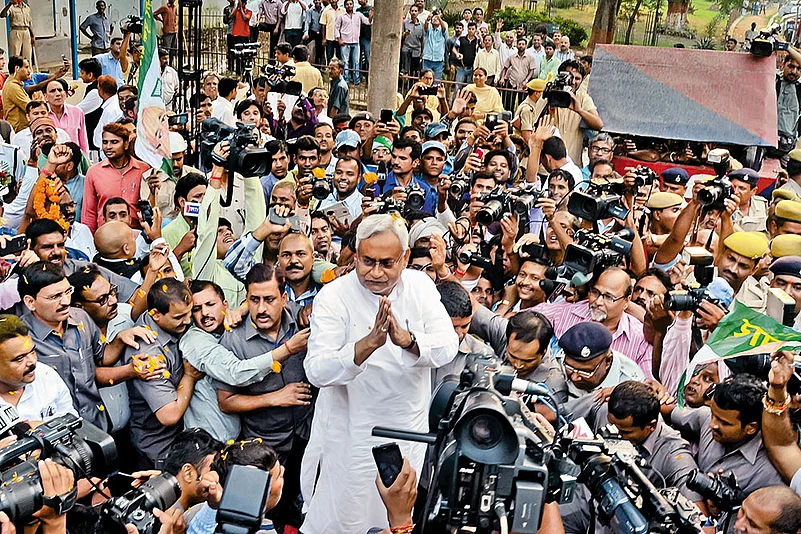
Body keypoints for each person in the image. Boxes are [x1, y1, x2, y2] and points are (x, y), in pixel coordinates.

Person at [301, 214, 459, 533]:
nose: (375, 272)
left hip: (404, 429)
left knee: (396, 516)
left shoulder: (420, 286)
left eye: (386, 263)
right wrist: (365, 345)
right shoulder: (334, 297)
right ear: (356, 255)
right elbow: (316, 371)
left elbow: (448, 346)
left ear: (405, 258)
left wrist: (408, 341)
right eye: (367, 261)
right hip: (350, 435)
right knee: (346, 517)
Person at [18, 261, 110, 431]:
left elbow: (102, 357)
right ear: (30, 302)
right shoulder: (21, 340)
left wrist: (122, 339)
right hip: (56, 435)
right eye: (54, 297)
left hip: (98, 426)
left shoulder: (81, 318)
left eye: (68, 292)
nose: (66, 302)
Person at [124, 278, 201, 469]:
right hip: (158, 445)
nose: (188, 320)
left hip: (181, 437)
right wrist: (189, 377)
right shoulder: (147, 353)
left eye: (190, 312)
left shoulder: (170, 320)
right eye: (179, 317)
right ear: (156, 314)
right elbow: (169, 415)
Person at [535, 267, 654, 377]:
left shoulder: (639, 339)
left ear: (627, 301)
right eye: (595, 292)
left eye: (608, 297)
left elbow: (648, 385)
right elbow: (522, 318)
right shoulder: (566, 313)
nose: (598, 302)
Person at [0, 314, 76, 421]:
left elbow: (72, 419)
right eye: (20, 358)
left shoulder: (46, 376)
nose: (32, 362)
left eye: (32, 351)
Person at [82, 122, 150, 232]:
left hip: (136, 236)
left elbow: (149, 205)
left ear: (126, 144)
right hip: (105, 237)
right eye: (105, 142)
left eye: (114, 142)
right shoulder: (94, 172)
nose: (108, 147)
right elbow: (89, 213)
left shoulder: (143, 170)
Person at [45, 79, 89, 154]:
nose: (57, 94)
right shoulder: (43, 115)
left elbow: (83, 143)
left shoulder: (77, 112)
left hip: (75, 159)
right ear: (45, 96)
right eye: (52, 91)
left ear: (65, 93)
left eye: (60, 90)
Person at [335, 0, 372, 85]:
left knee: (356, 62)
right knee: (345, 62)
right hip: (345, 43)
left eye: (351, 4)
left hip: (355, 42)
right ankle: (346, 80)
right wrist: (339, 39)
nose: (349, 6)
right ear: (345, 6)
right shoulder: (341, 16)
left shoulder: (358, 15)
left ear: (353, 5)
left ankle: (357, 80)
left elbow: (367, 22)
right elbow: (336, 28)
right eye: (347, 4)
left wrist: (371, 16)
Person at [0, 0, 33, 64]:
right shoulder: (11, 7)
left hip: (26, 31)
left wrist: (32, 35)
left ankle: (28, 72)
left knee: (27, 55)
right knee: (15, 55)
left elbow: (29, 23)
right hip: (16, 31)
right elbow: (2, 15)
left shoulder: (27, 8)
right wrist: (9, 5)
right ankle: (13, 72)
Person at [452, 21, 479, 90]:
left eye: (473, 29)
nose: (471, 30)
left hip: (472, 68)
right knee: (458, 88)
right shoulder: (461, 39)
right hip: (461, 67)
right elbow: (454, 48)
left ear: (475, 30)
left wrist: (480, 36)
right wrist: (457, 54)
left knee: (469, 89)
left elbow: (484, 47)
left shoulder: (477, 41)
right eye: (469, 29)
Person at [422, 10, 448, 81]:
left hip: (438, 59)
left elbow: (444, 29)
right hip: (427, 58)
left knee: (436, 80)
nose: (436, 18)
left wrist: (439, 18)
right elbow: (425, 28)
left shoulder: (443, 26)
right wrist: (428, 19)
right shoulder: (429, 26)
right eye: (434, 17)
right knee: (426, 79)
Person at [401, 4, 423, 77]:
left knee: (414, 70)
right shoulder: (405, 23)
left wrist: (422, 52)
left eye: (415, 11)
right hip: (407, 48)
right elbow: (401, 36)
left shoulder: (421, 25)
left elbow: (422, 39)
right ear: (410, 12)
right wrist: (405, 34)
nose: (414, 12)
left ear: (418, 12)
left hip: (416, 49)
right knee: (405, 68)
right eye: (412, 11)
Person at [154, 0, 178, 64]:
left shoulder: (175, 8)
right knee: (166, 49)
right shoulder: (164, 7)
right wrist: (161, 20)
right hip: (167, 31)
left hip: (174, 31)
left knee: (173, 50)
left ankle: (171, 64)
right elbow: (154, 14)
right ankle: (164, 64)